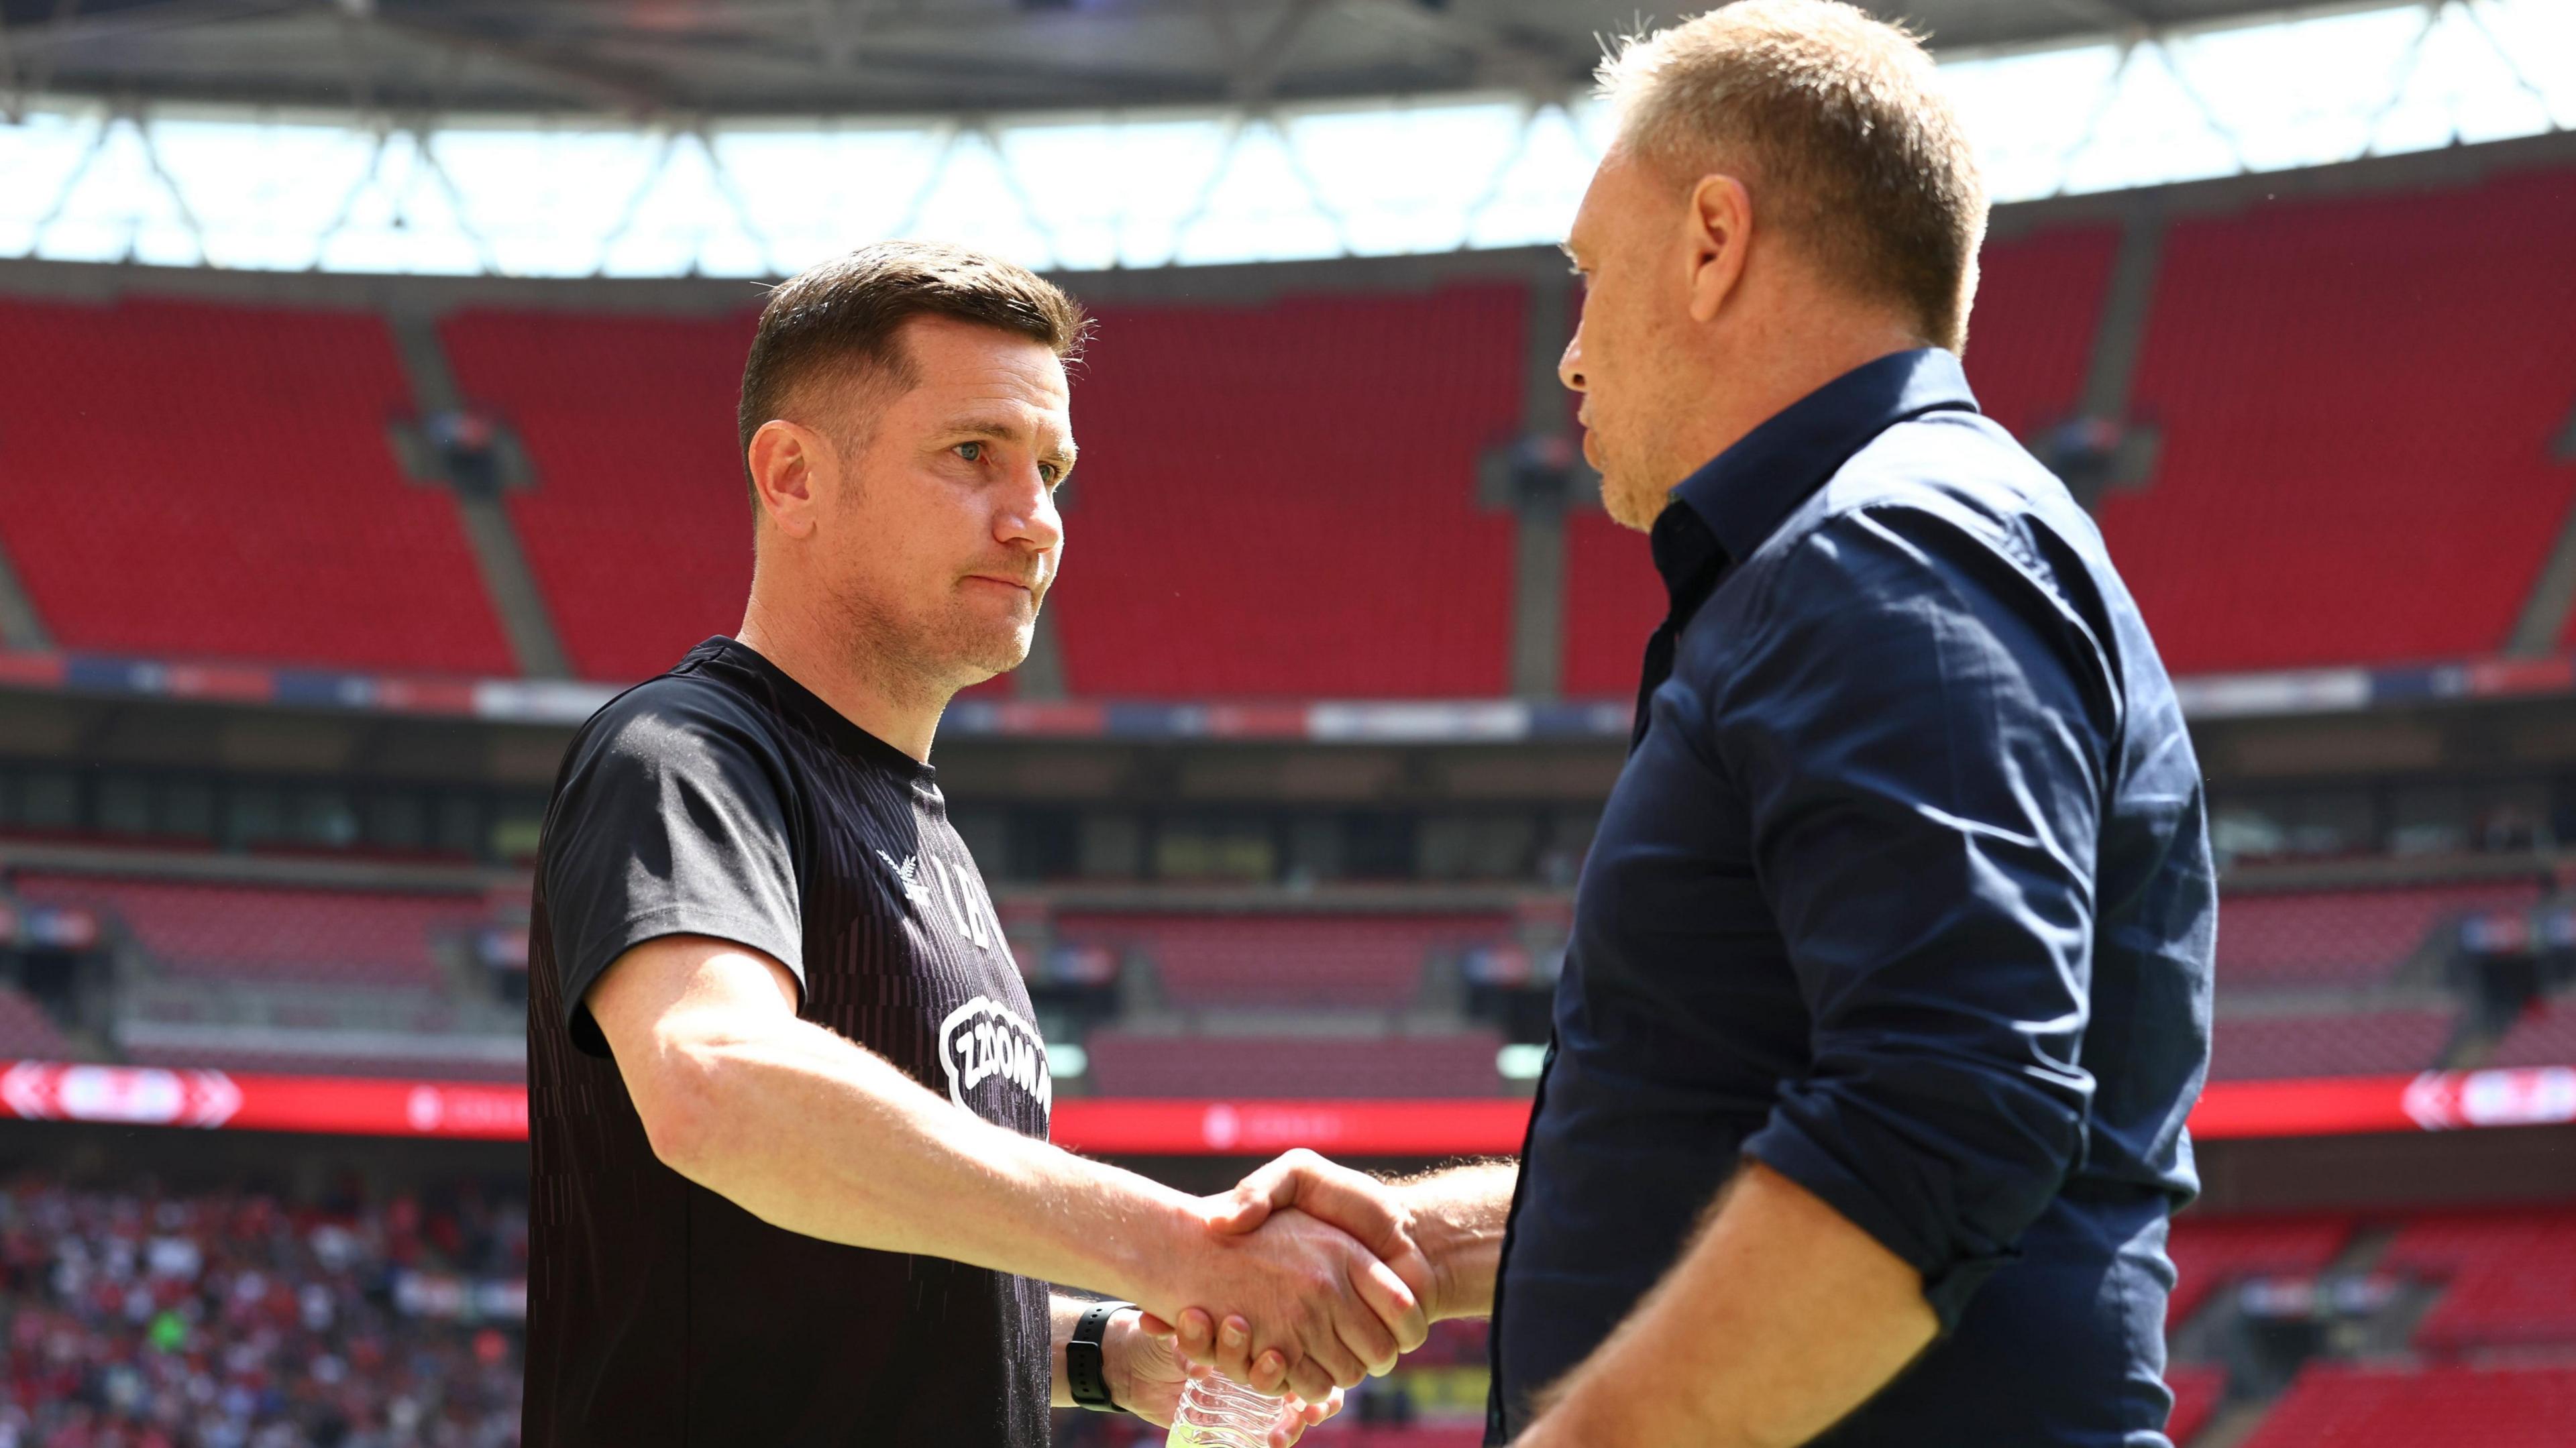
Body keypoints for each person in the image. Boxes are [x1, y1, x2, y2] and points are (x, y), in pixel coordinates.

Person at [1165, 3, 2217, 1445]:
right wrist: (1442, 1245)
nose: (1571, 358)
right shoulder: (1865, 552)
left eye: (1590, 279)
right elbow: (1798, 1104)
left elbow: (1947, 1109)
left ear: (1715, 242)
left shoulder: (1890, 554)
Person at [522, 241, 1426, 1447]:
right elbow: (716, 1086)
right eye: (973, 456)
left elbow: (850, 1293)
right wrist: (1184, 1247)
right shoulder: (684, 755)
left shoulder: (919, 827)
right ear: (792, 477)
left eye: (1052, 470)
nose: (1036, 520)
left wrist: (1109, 1355)